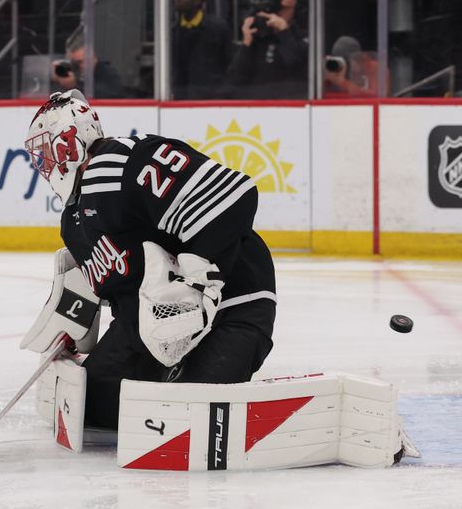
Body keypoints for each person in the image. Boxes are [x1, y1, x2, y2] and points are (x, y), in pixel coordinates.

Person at [23, 90, 277, 429]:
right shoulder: (72, 224)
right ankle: (169, 377)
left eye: (46, 151)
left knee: (187, 419)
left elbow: (233, 194)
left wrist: (197, 278)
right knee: (87, 406)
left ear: (68, 141)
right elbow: (122, 294)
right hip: (153, 335)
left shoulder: (123, 161)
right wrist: (72, 332)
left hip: (232, 306)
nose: (44, 164)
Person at [227, 0, 308, 99]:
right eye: (276, 6)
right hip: (256, 103)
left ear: (296, 11)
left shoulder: (303, 37)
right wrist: (246, 43)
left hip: (291, 102)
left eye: (284, 8)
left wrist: (284, 32)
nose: (279, 11)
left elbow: (295, 65)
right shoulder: (259, 36)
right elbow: (236, 76)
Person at [171, 0, 232, 100]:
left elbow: (228, 62)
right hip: (181, 98)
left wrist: (222, 92)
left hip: (211, 98)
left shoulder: (218, 28)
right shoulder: (173, 31)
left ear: (198, 1)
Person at [52, 32, 126, 99]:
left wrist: (75, 85)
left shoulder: (108, 72)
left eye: (80, 62)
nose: (78, 66)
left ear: (92, 56)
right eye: (74, 63)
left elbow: (110, 94)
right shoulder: (76, 72)